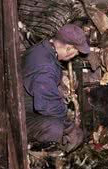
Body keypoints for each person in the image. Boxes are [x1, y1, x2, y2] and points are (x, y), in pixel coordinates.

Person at [23, 24, 90, 152]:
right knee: (58, 129)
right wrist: (69, 126)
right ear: (69, 48)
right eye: (76, 52)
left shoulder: (42, 48)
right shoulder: (45, 68)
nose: (75, 56)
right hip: (18, 116)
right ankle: (45, 160)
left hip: (23, 105)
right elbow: (46, 105)